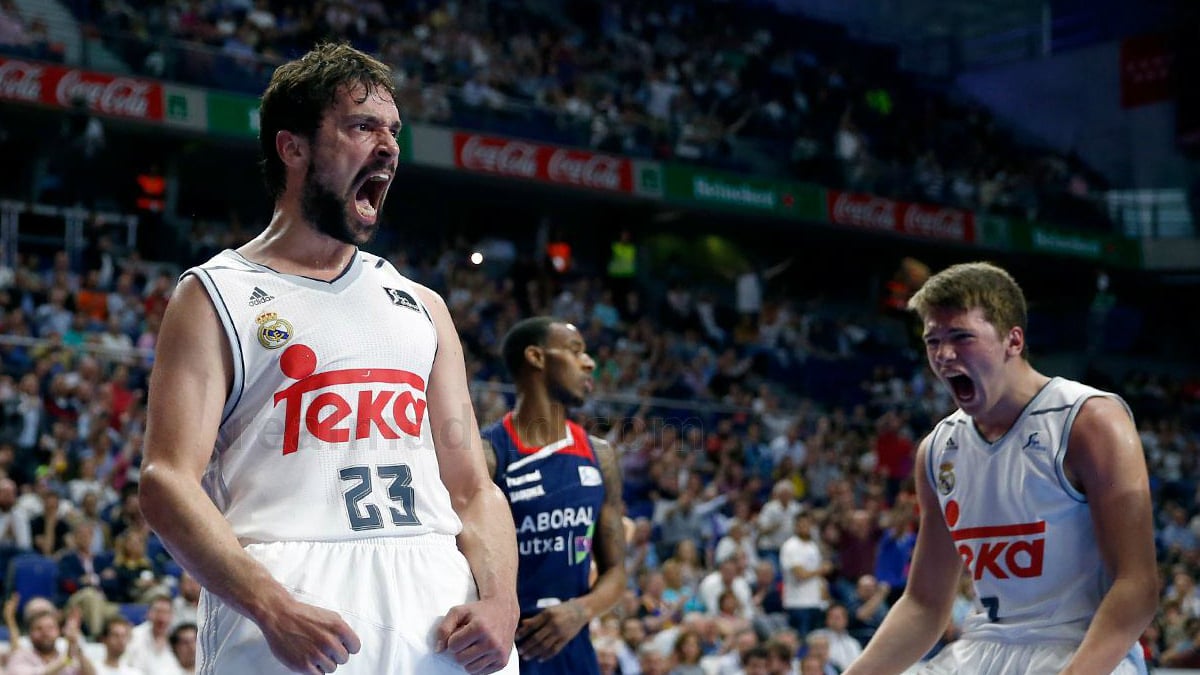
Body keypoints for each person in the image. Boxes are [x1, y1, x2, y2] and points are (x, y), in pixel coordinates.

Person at [139, 42, 519, 675]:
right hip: (294, 602)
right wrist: (269, 605)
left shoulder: (421, 304)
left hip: (436, 603)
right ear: (294, 148)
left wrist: (504, 600)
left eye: (394, 131)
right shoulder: (214, 295)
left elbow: (474, 489)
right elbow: (166, 482)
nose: (389, 146)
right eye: (362, 125)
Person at [844, 262, 1157, 675]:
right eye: (932, 340)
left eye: (961, 337)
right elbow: (924, 604)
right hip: (983, 648)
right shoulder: (937, 450)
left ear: (1013, 340)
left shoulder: (1089, 421)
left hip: (1082, 649)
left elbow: (1138, 587)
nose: (943, 354)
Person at [480, 317, 627, 674]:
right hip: (502, 651)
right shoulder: (488, 455)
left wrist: (582, 610)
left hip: (573, 647)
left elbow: (617, 573)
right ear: (537, 357)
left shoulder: (600, 455)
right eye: (576, 351)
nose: (589, 362)